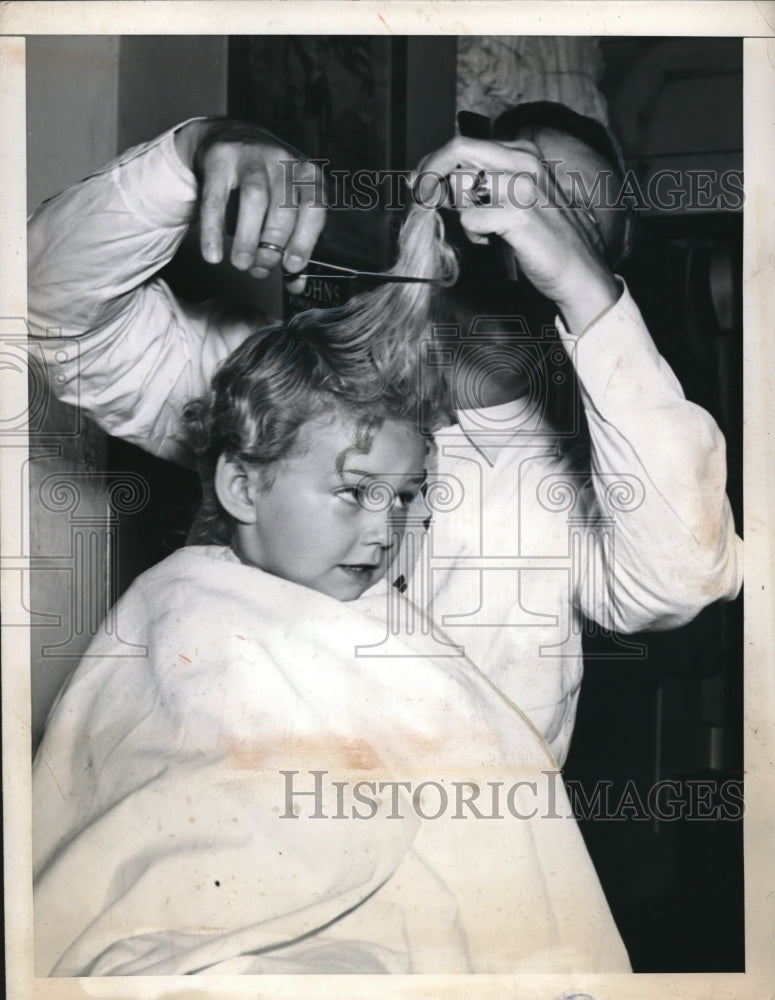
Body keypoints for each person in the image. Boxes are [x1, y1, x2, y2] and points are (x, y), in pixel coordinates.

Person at [28, 108, 743, 768]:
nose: (531, 213)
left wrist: (587, 295)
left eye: (569, 218)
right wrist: (194, 151)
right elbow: (54, 315)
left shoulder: (589, 480)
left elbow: (681, 578)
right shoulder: (277, 384)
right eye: (518, 181)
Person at [31, 274, 632, 976]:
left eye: (404, 496)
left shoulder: (372, 613)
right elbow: (177, 900)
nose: (384, 530)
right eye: (352, 492)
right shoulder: (194, 633)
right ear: (242, 486)